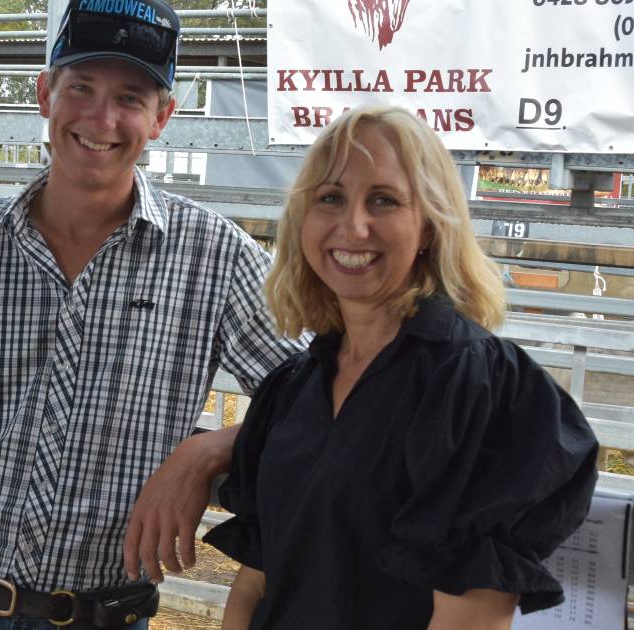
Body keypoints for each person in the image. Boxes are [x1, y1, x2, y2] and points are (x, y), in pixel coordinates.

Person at [0, 1, 306, 628]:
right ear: (46, 94)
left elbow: (317, 397)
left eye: (130, 97)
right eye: (82, 88)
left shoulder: (215, 256)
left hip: (105, 613)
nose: (101, 118)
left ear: (162, 117)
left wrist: (207, 451)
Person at [203, 105, 599, 629]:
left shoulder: (478, 385)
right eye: (331, 198)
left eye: (383, 200)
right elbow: (256, 580)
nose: (354, 226)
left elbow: (471, 616)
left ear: (430, 227)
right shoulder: (293, 387)